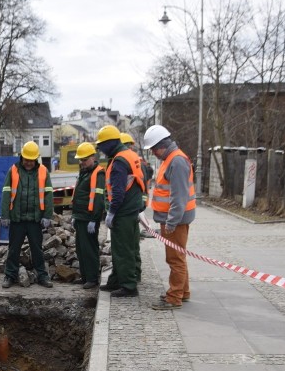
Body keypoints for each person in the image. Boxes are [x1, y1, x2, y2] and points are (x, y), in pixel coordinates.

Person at [142, 124, 197, 310]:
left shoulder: (176, 161)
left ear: (160, 146)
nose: (153, 153)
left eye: (153, 150)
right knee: (178, 256)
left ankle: (174, 297)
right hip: (172, 219)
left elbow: (178, 196)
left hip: (175, 220)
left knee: (174, 259)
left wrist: (171, 222)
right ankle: (183, 292)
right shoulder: (171, 159)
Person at [95, 125, 145, 297]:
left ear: (110, 143)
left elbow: (118, 191)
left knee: (123, 250)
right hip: (131, 208)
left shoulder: (118, 161)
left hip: (123, 212)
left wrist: (111, 212)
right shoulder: (130, 155)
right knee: (125, 248)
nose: (99, 148)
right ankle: (117, 279)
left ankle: (129, 286)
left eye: (101, 144)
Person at [0, 141, 54, 288]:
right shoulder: (13, 171)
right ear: (21, 157)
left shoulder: (43, 171)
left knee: (37, 249)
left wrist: (47, 215)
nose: (29, 162)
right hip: (17, 219)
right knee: (13, 249)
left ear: (36, 158)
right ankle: (9, 276)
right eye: (26, 159)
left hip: (35, 220)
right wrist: (5, 215)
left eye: (31, 160)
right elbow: (6, 193)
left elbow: (49, 194)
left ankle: (42, 276)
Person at [70, 142, 106, 289]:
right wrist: (74, 215)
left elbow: (98, 199)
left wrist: (94, 219)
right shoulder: (84, 172)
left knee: (89, 249)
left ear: (93, 157)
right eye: (80, 159)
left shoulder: (98, 173)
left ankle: (92, 278)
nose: (82, 162)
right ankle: (85, 276)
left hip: (89, 218)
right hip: (80, 217)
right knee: (80, 249)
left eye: (84, 159)